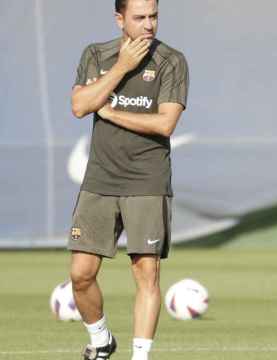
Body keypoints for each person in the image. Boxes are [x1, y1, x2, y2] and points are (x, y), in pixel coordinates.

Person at [68, 0, 188, 359]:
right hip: (100, 179)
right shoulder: (96, 54)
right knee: (80, 275)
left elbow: (165, 124)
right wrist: (122, 67)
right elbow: (79, 106)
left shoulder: (172, 61)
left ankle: (140, 357)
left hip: (147, 180)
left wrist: (110, 111)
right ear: (120, 19)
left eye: (154, 16)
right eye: (140, 17)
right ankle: (101, 340)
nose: (149, 24)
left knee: (146, 274)